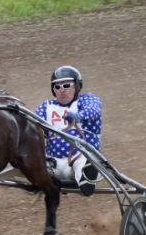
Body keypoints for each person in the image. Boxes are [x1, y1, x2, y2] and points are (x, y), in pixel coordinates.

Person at [35, 66, 102, 196]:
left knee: (83, 159)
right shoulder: (46, 106)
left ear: (77, 86)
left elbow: (94, 110)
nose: (62, 90)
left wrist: (78, 116)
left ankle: (85, 177)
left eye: (66, 85)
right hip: (53, 162)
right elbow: (32, 122)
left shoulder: (86, 99)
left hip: (80, 155)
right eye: (57, 87)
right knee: (28, 159)